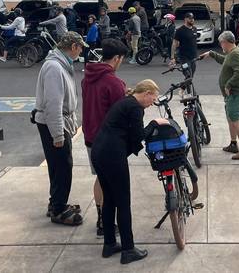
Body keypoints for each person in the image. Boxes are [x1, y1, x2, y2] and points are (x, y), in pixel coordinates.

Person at [91, 79, 162, 264]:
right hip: (113, 156)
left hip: (99, 152)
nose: (151, 103)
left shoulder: (125, 101)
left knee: (109, 200)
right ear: (146, 93)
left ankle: (109, 244)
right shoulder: (135, 108)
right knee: (123, 202)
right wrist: (155, 124)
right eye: (152, 99)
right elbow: (139, 136)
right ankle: (128, 249)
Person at [33, 32, 88, 226]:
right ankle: (58, 208)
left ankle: (56, 202)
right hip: (54, 123)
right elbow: (53, 104)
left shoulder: (61, 64)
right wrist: (57, 134)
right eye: (80, 47)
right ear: (73, 47)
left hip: (59, 122)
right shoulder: (54, 68)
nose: (81, 51)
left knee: (58, 166)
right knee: (63, 166)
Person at [81, 39, 128, 238]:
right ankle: (106, 224)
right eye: (122, 59)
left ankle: (101, 218)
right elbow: (121, 114)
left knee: (101, 178)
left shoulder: (87, 77)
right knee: (113, 184)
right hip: (108, 140)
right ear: (116, 58)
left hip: (90, 136)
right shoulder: (114, 82)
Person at [200, 31, 239, 160]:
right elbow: (225, 61)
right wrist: (212, 54)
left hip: (235, 93)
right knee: (230, 118)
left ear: (225, 42)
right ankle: (233, 144)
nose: (220, 45)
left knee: (235, 120)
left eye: (221, 42)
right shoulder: (232, 53)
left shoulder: (235, 54)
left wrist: (228, 84)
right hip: (231, 94)